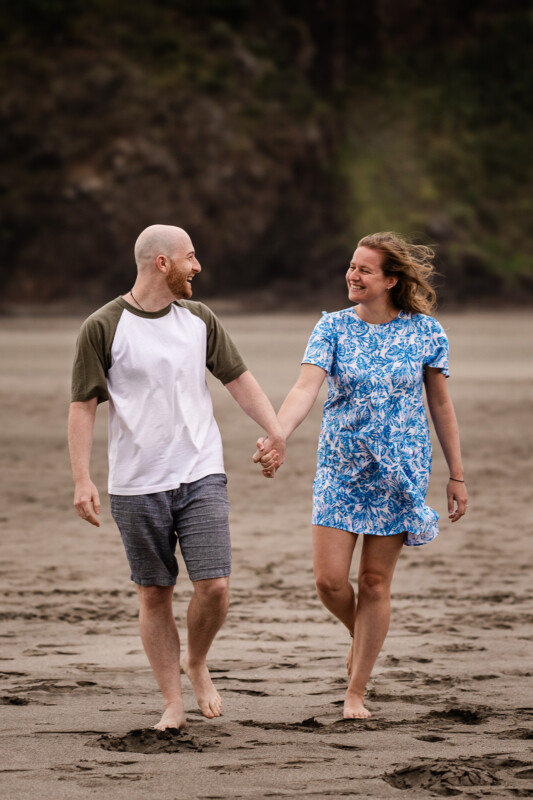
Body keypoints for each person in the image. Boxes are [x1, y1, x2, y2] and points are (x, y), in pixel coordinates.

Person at [68, 224, 285, 731]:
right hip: (136, 482)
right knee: (155, 593)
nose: (198, 266)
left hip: (201, 471)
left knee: (215, 586)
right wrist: (83, 479)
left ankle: (197, 661)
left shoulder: (199, 318)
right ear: (161, 263)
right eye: (190, 257)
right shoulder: (101, 327)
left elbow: (238, 379)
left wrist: (275, 433)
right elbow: (83, 408)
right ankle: (172, 700)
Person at [255, 231, 468, 719]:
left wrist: (457, 474)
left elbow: (440, 403)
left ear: (391, 279)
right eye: (351, 266)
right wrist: (279, 434)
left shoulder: (426, 333)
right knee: (330, 582)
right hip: (341, 465)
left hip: (400, 470)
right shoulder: (330, 328)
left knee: (374, 583)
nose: (352, 275)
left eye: (364, 269)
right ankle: (364, 635)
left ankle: (356, 691)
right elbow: (305, 388)